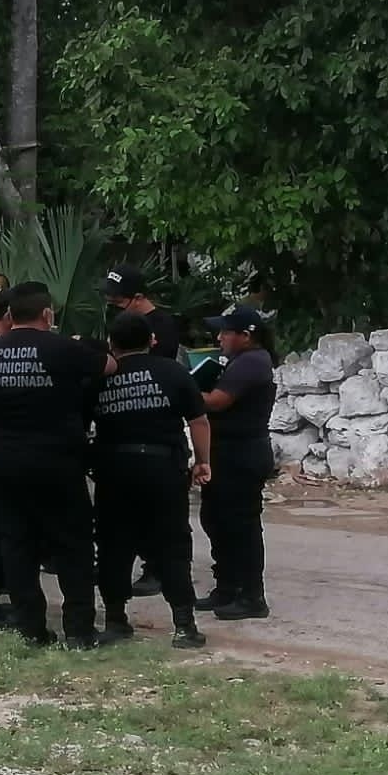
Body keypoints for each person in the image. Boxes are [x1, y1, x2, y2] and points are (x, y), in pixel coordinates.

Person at [0, 285, 114, 648]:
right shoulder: (64, 349)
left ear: (9, 316)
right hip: (58, 460)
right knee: (73, 545)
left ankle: (32, 629)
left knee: (17, 545)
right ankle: (80, 632)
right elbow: (110, 365)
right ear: (47, 314)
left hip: (4, 461)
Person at [91, 312, 212, 649]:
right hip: (163, 469)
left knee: (114, 545)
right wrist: (203, 461)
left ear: (112, 343)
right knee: (172, 544)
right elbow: (199, 421)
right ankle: (184, 625)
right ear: (152, 340)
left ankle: (115, 619)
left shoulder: (101, 377)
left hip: (114, 469)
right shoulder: (172, 371)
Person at [102, 263, 184, 598]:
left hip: (156, 426)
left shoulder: (162, 325)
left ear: (137, 298)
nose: (113, 305)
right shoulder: (121, 322)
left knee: (161, 516)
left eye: (119, 301)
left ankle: (158, 569)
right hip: (123, 432)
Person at [196, 305, 278, 621]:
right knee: (216, 520)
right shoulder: (239, 361)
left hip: (243, 454)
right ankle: (227, 586)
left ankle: (252, 596)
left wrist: (182, 389)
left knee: (241, 526)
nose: (219, 338)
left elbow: (218, 400)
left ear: (246, 336)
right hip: (226, 452)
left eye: (225, 332)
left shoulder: (253, 362)